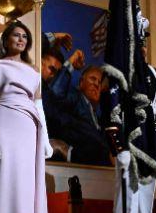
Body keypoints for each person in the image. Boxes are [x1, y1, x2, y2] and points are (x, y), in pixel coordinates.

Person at [0, 21, 51, 213]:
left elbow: (39, 106)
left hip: (29, 129)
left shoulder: (34, 70)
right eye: (16, 35)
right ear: (6, 40)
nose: (21, 39)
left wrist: (45, 139)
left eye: (25, 36)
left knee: (28, 189)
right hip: (5, 124)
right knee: (6, 185)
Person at [102, 21, 156, 213]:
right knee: (128, 202)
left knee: (145, 205)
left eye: (144, 43)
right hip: (128, 144)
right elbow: (110, 109)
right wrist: (118, 147)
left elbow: (154, 112)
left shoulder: (152, 74)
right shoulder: (119, 71)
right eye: (138, 43)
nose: (143, 47)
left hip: (149, 146)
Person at [40, 34, 110, 166]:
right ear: (81, 82)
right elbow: (55, 94)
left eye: (100, 82)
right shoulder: (75, 97)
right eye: (92, 79)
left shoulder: (98, 118)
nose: (96, 84)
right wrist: (71, 63)